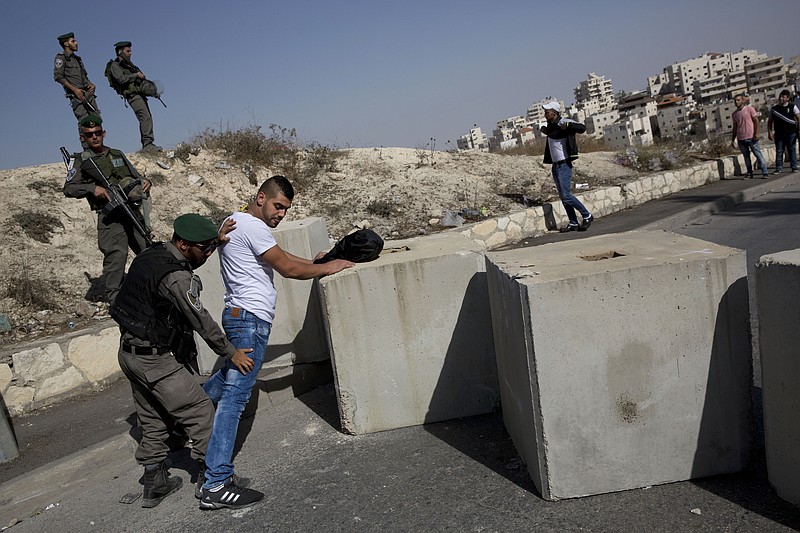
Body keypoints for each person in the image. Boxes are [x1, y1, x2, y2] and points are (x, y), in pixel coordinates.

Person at [198, 176, 354, 510]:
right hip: (249, 321)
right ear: (260, 198)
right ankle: (215, 482)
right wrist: (327, 269)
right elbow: (286, 268)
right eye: (278, 206)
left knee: (226, 380)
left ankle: (181, 412)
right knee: (234, 399)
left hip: (243, 317)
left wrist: (317, 262)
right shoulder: (251, 227)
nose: (281, 214)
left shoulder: (237, 220)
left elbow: (281, 255)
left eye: (286, 209)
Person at [111, 213, 255, 508]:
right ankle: (213, 479)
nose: (210, 254)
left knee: (153, 418)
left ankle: (155, 482)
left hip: (129, 354)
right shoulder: (176, 276)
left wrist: (217, 236)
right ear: (184, 244)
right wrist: (231, 352)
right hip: (155, 361)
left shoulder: (152, 254)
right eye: (206, 249)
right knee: (200, 411)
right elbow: (200, 319)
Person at [63, 114, 152, 304]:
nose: (94, 137)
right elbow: (69, 188)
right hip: (109, 216)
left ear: (103, 133)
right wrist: (92, 188)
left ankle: (154, 287)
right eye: (89, 134)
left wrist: (146, 182)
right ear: (82, 138)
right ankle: (115, 299)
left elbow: (136, 176)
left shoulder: (117, 154)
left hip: (130, 210)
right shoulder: (79, 160)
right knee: (116, 256)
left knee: (148, 249)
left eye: (97, 133)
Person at [539, 101, 593, 232]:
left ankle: (587, 215)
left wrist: (568, 125)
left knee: (567, 195)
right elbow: (554, 135)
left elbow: (582, 128)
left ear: (555, 112)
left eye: (548, 111)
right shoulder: (551, 126)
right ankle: (573, 222)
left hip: (564, 164)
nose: (545, 114)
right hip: (555, 165)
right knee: (563, 197)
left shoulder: (564, 122)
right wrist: (545, 131)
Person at [106, 41, 162, 153]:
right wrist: (136, 75)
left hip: (139, 94)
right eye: (128, 51)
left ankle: (148, 143)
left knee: (147, 117)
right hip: (132, 95)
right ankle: (147, 145)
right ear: (120, 52)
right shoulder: (115, 66)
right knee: (145, 117)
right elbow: (121, 79)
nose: (130, 53)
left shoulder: (130, 66)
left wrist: (152, 91)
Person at [53, 32, 100, 147]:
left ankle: (99, 146)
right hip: (76, 96)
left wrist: (91, 84)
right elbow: (58, 77)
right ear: (66, 44)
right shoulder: (61, 58)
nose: (76, 43)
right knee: (84, 121)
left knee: (97, 119)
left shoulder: (78, 59)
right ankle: (87, 149)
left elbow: (84, 76)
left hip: (87, 93)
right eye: (73, 41)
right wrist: (74, 90)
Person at [731, 93, 769, 179]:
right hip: (741, 138)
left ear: (742, 101)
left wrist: (756, 133)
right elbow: (735, 127)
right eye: (735, 101)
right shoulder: (734, 114)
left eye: (738, 100)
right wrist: (733, 139)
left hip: (751, 137)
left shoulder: (749, 109)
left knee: (758, 154)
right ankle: (749, 173)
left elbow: (756, 121)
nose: (736, 102)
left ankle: (765, 172)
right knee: (746, 157)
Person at [767, 89, 799, 173]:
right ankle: (778, 168)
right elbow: (770, 121)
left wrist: (798, 130)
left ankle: (794, 166)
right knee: (779, 151)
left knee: (792, 150)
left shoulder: (793, 107)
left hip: (791, 133)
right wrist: (769, 132)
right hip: (779, 134)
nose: (781, 98)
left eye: (783, 97)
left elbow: (798, 118)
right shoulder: (774, 109)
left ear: (787, 98)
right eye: (780, 97)